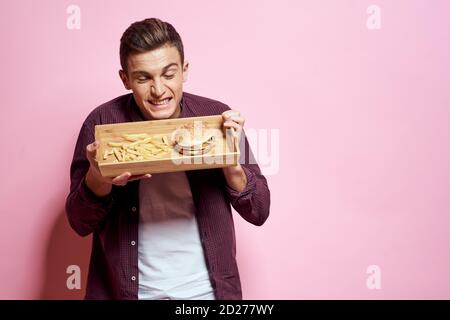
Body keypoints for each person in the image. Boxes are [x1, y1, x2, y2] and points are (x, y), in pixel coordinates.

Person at [65, 18, 270, 300]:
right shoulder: (102, 123)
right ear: (125, 79)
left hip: (207, 294)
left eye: (168, 74)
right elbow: (79, 223)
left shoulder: (217, 118)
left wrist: (232, 165)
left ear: (184, 70)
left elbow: (259, 211)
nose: (159, 90)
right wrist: (98, 179)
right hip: (127, 293)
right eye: (143, 78)